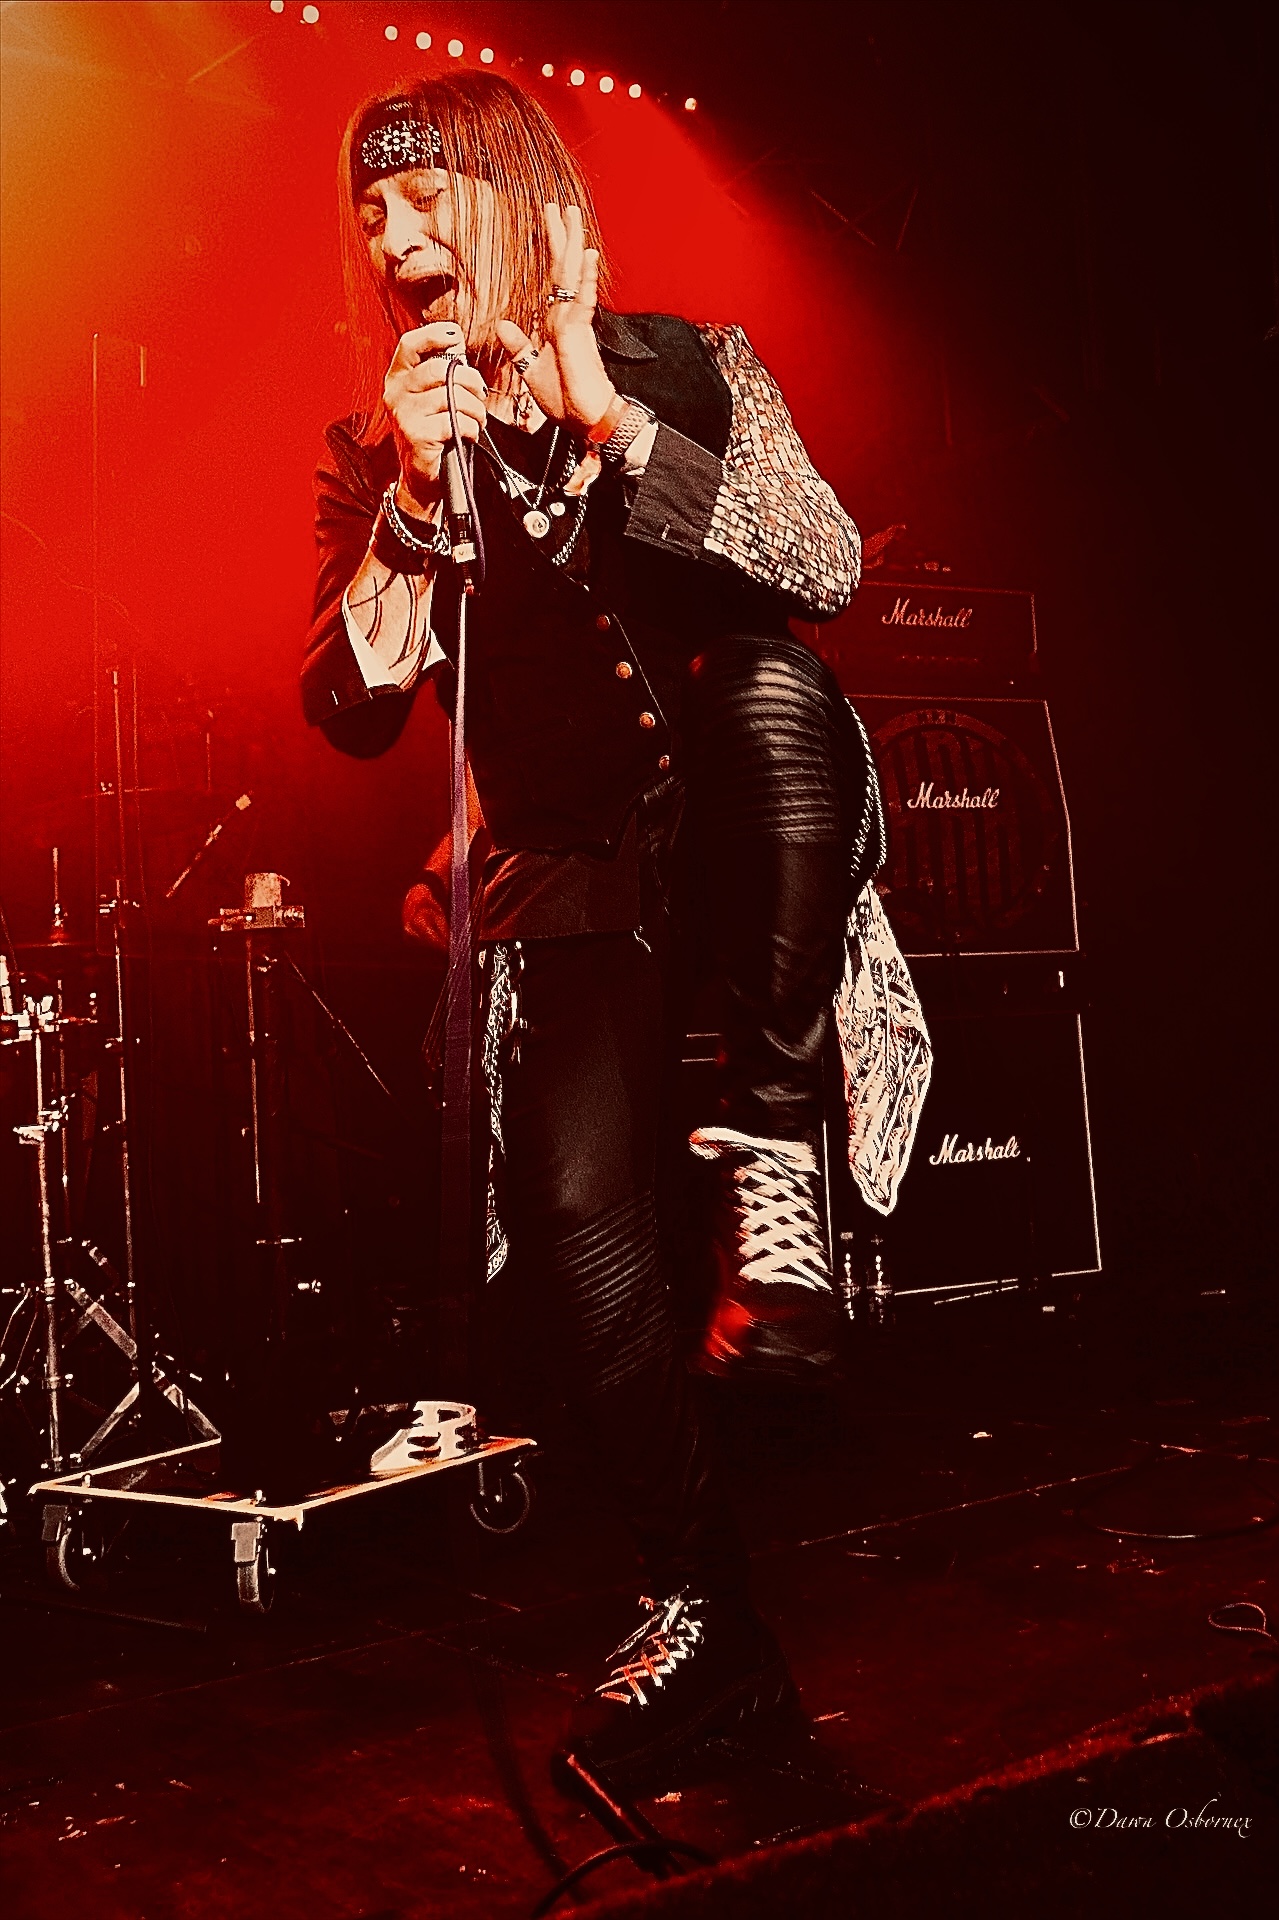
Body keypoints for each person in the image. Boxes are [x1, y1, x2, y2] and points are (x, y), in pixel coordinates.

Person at [302, 70, 887, 1789]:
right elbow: (346, 708)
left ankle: (772, 1157)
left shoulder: (687, 361)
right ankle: (711, 1625)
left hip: (746, 832)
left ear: (519, 199)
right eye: (371, 217)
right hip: (567, 875)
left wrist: (609, 418)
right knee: (581, 1241)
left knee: (770, 684)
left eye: (426, 201)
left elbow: (823, 561)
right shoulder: (375, 447)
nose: (394, 241)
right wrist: (416, 496)